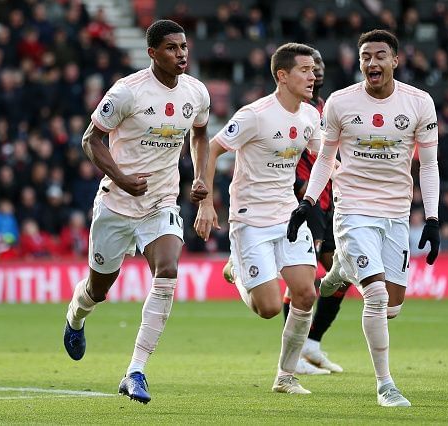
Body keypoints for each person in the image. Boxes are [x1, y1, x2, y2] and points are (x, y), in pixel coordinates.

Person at [287, 29, 441, 407]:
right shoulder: (340, 103)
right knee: (373, 295)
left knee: (392, 306)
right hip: (353, 209)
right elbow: (325, 157)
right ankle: (386, 385)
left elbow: (430, 164)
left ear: (395, 60)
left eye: (379, 56)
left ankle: (339, 271)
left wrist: (433, 218)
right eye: (365, 57)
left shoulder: (419, 103)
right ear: (360, 62)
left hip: (396, 213)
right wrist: (308, 201)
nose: (372, 63)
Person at [62, 20, 211, 404]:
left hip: (161, 201)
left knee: (168, 270)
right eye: (171, 48)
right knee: (98, 289)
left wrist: (198, 177)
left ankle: (136, 371)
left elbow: (199, 132)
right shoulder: (127, 92)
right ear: (152, 53)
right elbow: (90, 139)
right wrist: (122, 177)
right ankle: (76, 316)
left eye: (183, 47)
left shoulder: (196, 92)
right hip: (116, 202)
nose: (181, 54)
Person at [194, 43, 321, 394]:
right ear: (282, 75)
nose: (313, 76)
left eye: (313, 70)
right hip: (250, 217)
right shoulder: (255, 114)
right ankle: (236, 268)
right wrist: (206, 202)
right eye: (305, 70)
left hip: (288, 214)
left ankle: (286, 376)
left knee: (306, 295)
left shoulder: (310, 116)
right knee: (267, 308)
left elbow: (324, 158)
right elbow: (215, 147)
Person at [282, 48, 347, 376]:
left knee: (341, 273)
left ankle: (311, 344)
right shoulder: (290, 109)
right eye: (309, 67)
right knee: (303, 278)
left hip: (330, 202)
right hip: (301, 202)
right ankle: (295, 357)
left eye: (320, 65)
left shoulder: (327, 108)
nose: (316, 71)